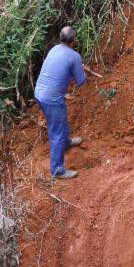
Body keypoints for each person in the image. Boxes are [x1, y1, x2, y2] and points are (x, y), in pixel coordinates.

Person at [33, 26, 90, 179]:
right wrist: (82, 71)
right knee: (57, 131)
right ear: (74, 40)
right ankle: (57, 170)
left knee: (60, 121)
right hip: (51, 98)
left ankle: (65, 142)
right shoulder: (74, 56)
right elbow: (81, 81)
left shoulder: (54, 49)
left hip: (39, 93)